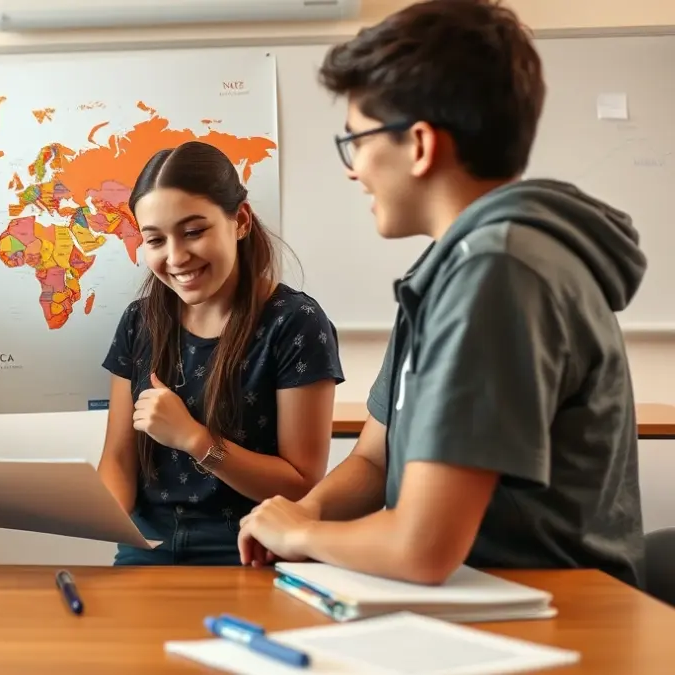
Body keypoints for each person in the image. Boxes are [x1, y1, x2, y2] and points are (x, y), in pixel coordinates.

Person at [239, 0, 647, 588]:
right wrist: (308, 512)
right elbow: (374, 458)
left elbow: (422, 548)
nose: (353, 169)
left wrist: (299, 537)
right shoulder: (450, 269)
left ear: (420, 145)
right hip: (478, 598)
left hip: (549, 611)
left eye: (357, 141)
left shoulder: (497, 272)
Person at [98, 140, 345, 566]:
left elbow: (302, 485)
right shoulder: (140, 320)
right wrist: (97, 516)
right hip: (148, 548)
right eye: (155, 239)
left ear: (241, 221)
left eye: (194, 232)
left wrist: (195, 440)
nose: (176, 257)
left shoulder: (295, 322)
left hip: (251, 551)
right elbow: (118, 460)